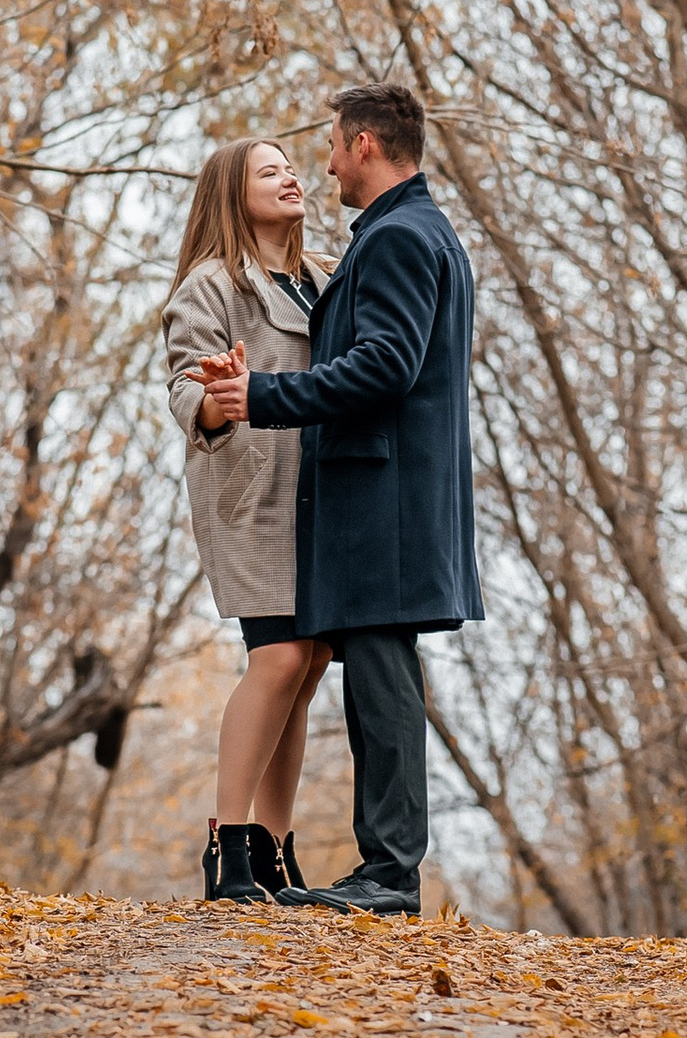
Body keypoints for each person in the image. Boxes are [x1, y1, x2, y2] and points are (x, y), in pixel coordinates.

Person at [197, 80, 480, 916]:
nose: (323, 166)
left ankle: (389, 872)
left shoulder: (398, 237)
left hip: (385, 500)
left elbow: (385, 365)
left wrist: (265, 396)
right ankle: (383, 866)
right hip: (393, 499)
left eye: (328, 146)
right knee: (378, 681)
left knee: (383, 685)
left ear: (364, 144)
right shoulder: (413, 233)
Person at [162, 137, 335, 908]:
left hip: (323, 493)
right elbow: (183, 385)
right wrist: (215, 396)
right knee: (279, 655)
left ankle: (272, 848)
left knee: (310, 662)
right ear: (234, 193)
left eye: (291, 167)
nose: (291, 176)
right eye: (270, 171)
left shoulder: (324, 277)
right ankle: (226, 844)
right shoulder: (211, 283)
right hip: (252, 494)